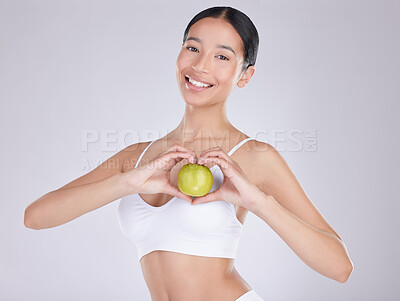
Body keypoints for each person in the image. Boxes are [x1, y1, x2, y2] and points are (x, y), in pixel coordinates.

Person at [24, 6, 354, 301]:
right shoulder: (137, 157)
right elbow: (36, 218)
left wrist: (259, 203)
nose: (199, 66)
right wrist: (126, 183)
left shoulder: (254, 157)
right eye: (193, 48)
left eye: (222, 56)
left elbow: (340, 267)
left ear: (245, 75)